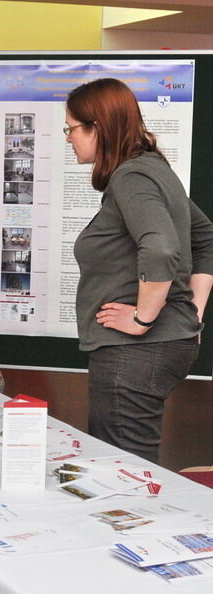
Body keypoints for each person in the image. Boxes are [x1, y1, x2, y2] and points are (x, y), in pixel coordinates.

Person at [66, 77, 213, 465]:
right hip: (157, 348)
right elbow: (206, 238)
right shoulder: (152, 169)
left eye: (72, 128)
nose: (68, 138)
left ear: (97, 127)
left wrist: (142, 318)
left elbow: (162, 248)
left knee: (123, 473)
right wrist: (191, 312)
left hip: (134, 352)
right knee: (129, 467)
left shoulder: (131, 176)